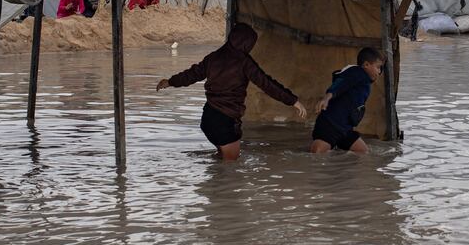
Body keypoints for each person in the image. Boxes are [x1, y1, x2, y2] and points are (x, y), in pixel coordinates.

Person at [156, 23, 307, 160]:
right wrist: (293, 100)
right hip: (226, 121)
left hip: (208, 119)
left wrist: (170, 82)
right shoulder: (244, 62)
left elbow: (191, 75)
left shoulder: (213, 58)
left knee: (220, 161)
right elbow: (267, 84)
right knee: (231, 170)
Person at [310, 47, 385, 154]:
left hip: (345, 129)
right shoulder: (356, 72)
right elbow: (340, 84)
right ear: (366, 65)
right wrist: (327, 98)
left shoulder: (364, 81)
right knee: (317, 153)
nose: (379, 71)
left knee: (363, 151)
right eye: (378, 67)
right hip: (330, 125)